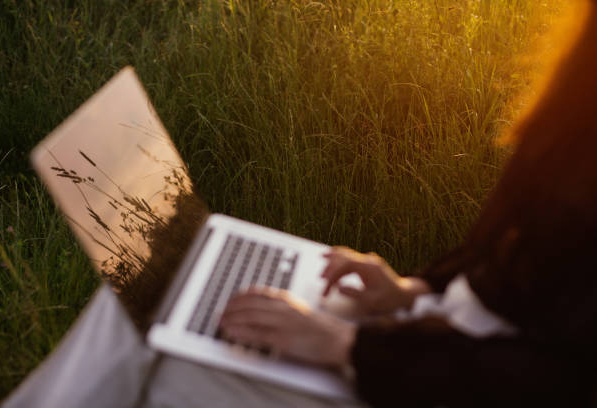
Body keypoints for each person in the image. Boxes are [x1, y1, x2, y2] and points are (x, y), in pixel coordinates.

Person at [221, 1, 597, 406]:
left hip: (433, 378)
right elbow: (521, 268)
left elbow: (554, 379)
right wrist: (410, 294)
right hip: (427, 346)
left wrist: (346, 344)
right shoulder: (579, 91)